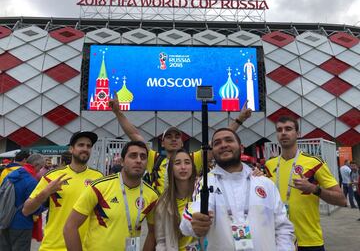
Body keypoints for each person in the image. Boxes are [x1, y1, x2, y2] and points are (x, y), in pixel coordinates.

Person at [109, 94, 252, 194]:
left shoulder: (192, 159)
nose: (173, 139)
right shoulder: (154, 158)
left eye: (177, 136)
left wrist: (239, 119)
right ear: (162, 143)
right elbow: (134, 135)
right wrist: (117, 112)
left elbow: (219, 140)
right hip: (161, 214)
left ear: (182, 142)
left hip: (188, 212)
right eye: (169, 137)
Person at [180, 128, 295, 250]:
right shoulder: (206, 183)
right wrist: (195, 222)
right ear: (212, 152)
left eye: (229, 140)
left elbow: (283, 228)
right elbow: (192, 215)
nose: (223, 145)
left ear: (241, 148)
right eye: (217, 143)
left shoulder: (266, 184)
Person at [265, 116, 347, 251]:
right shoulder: (269, 165)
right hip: (278, 240)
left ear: (298, 134)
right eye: (279, 130)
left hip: (309, 242)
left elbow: (342, 200)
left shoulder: (314, 163)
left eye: (288, 129)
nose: (283, 133)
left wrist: (314, 189)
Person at [63, 141, 158, 251]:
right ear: (122, 161)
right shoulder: (99, 187)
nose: (138, 160)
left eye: (143, 157)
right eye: (133, 156)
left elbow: (153, 233)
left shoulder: (152, 196)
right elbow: (70, 227)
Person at [22, 131, 103, 251]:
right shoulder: (52, 176)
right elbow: (26, 210)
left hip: (85, 247)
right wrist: (46, 192)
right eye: (81, 145)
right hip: (53, 247)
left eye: (88, 146)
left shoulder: (99, 178)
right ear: (71, 149)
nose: (85, 149)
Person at [155, 149, 199, 251]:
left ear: (192, 167)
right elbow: (161, 241)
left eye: (187, 163)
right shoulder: (163, 203)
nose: (183, 167)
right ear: (171, 169)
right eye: (177, 163)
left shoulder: (202, 194)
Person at [0, 154, 45, 251]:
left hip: (5, 220)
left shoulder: (10, 175)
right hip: (22, 224)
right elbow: (33, 208)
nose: (40, 170)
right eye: (40, 167)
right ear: (36, 165)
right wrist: (44, 205)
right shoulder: (31, 181)